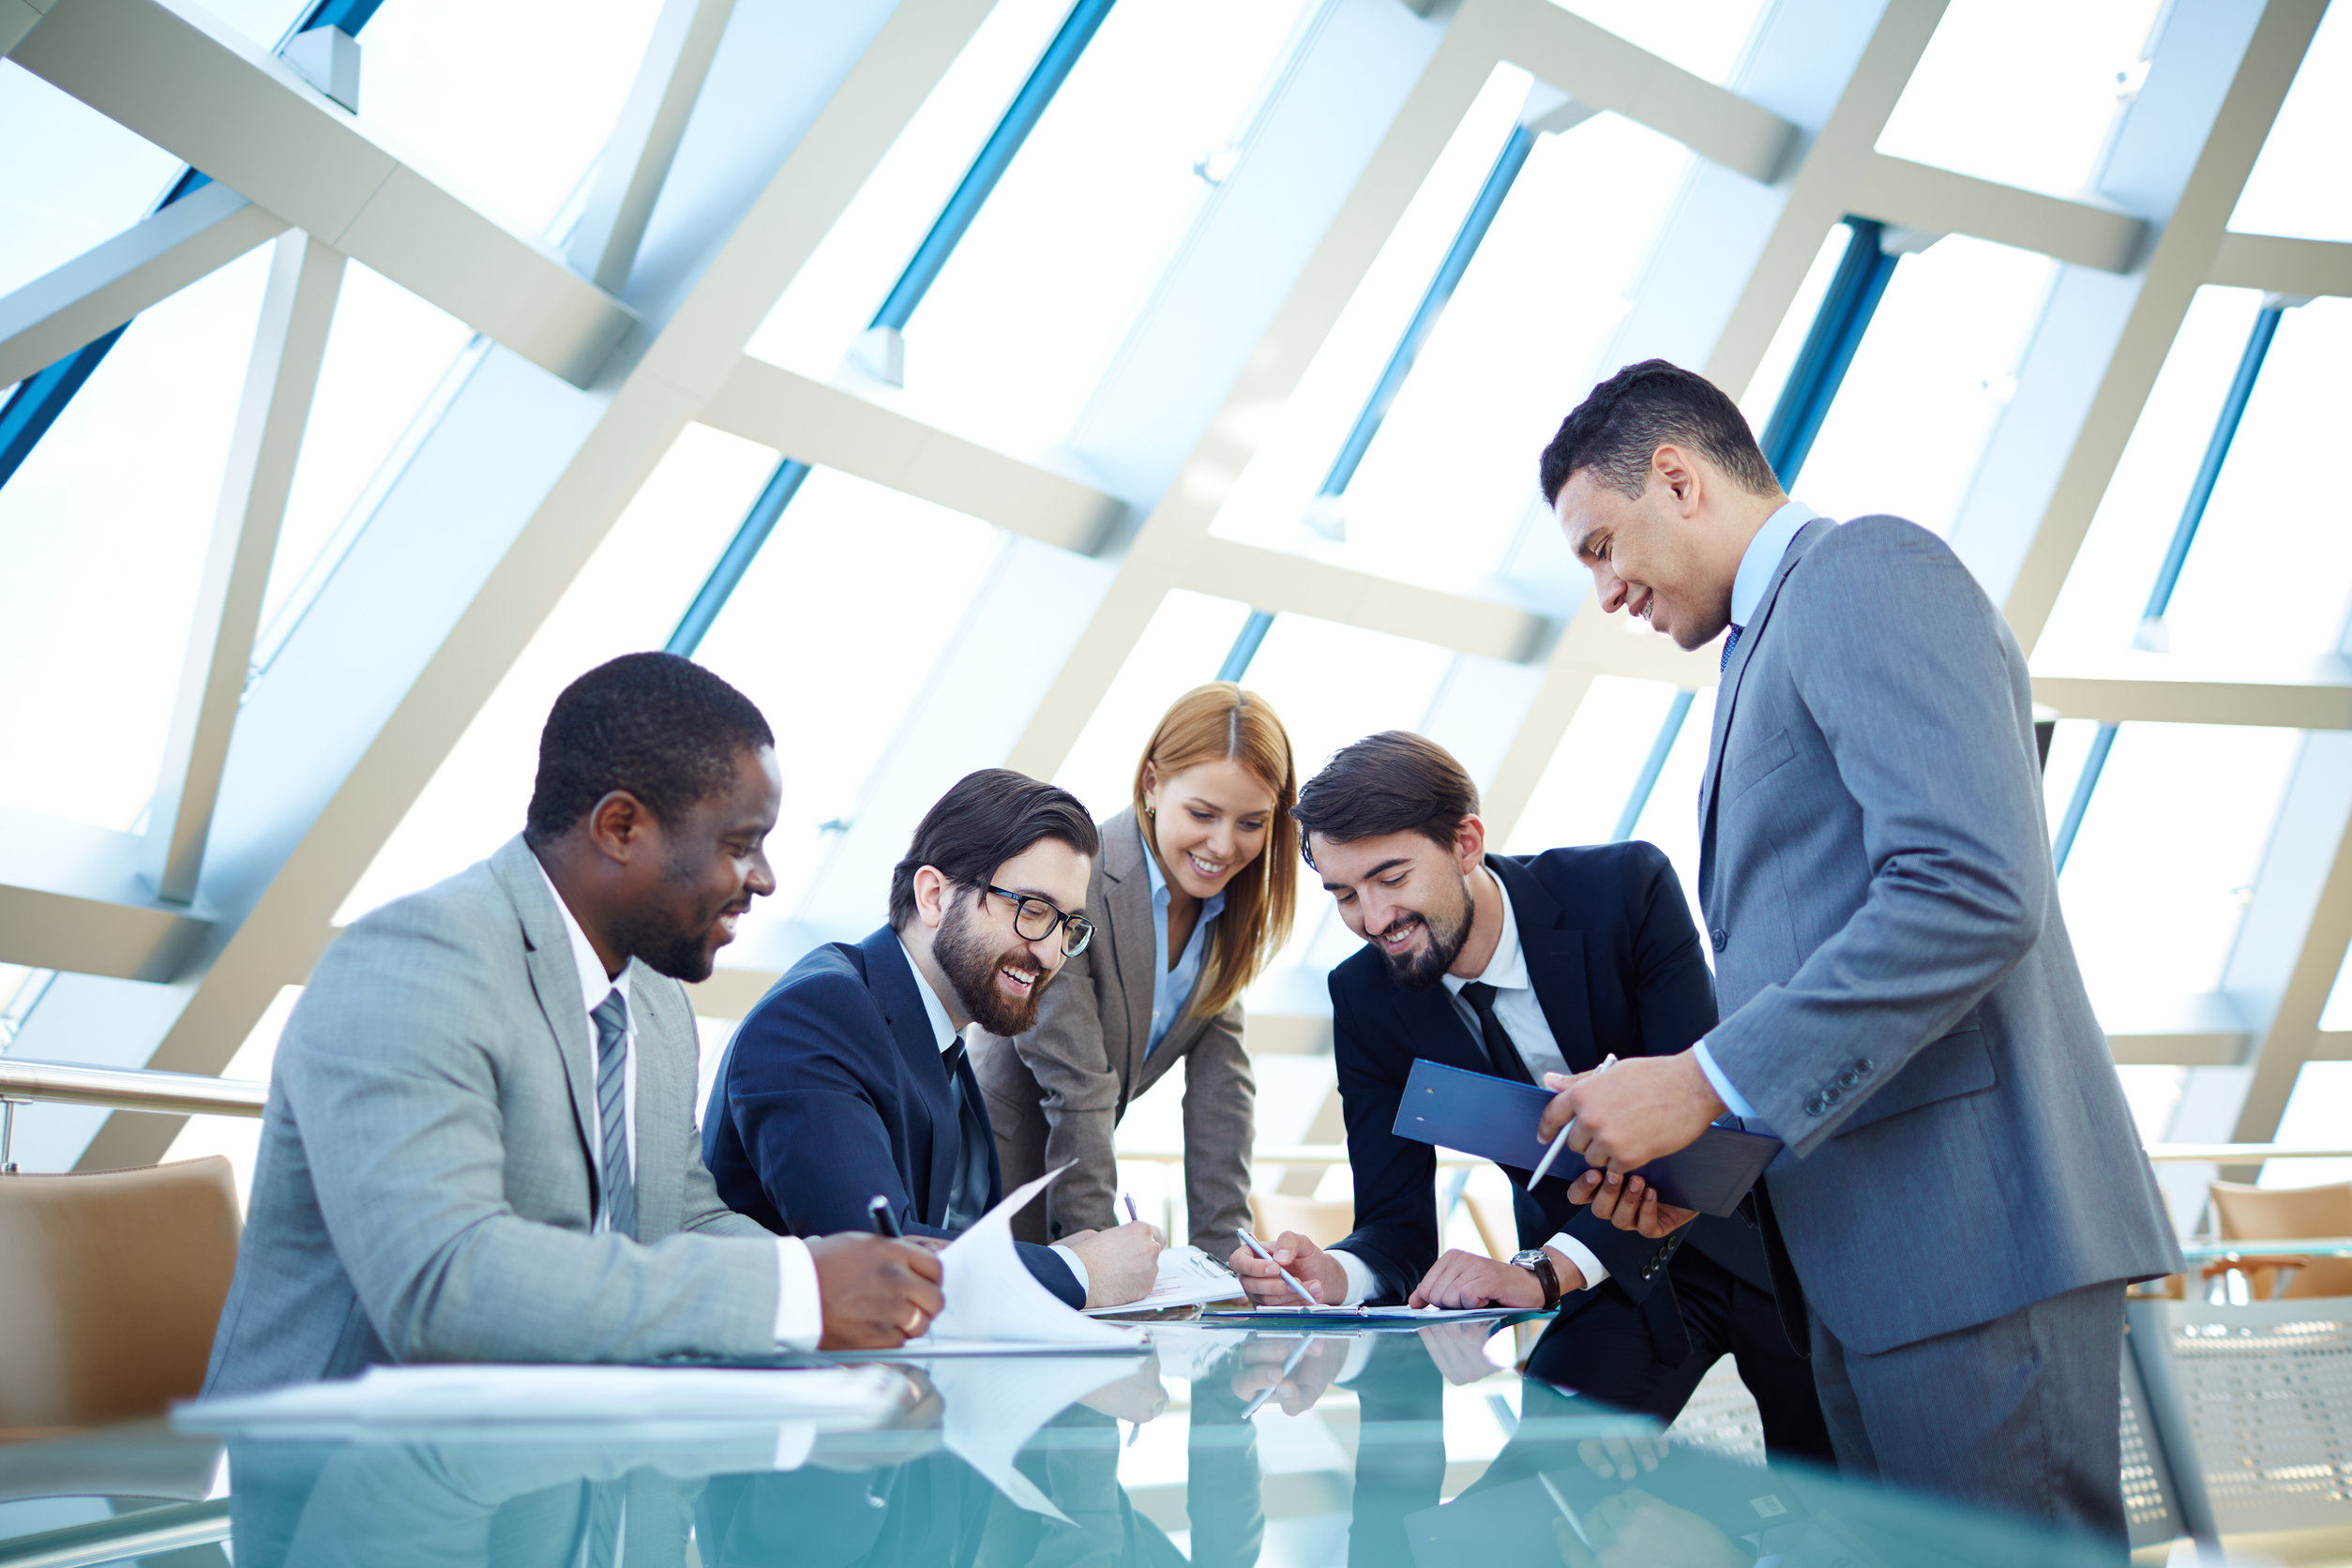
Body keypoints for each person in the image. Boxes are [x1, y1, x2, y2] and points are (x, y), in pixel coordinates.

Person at [1535, 359, 2181, 1536]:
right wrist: (1702, 1159)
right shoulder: (1760, 647)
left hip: (1970, 1246)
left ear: (1675, 478)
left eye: (1599, 547)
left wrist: (1703, 1078)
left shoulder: (1865, 572)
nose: (1605, 590)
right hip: (1865, 1270)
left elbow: (1972, 885)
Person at [204, 654, 942, 1396]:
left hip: (567, 1459)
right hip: (348, 1483)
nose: (764, 879)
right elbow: (443, 1286)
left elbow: (679, 1219)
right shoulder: (416, 964)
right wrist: (796, 1292)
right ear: (620, 827)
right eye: (740, 844)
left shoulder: (652, 998)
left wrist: (850, 1303)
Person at [1227, 731, 1831, 1464]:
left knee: (1837, 1506)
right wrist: (1336, 1274)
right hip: (1608, 1287)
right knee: (1535, 1495)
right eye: (1344, 894)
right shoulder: (1364, 1000)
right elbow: (1395, 1225)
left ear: (1467, 841)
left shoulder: (1624, 893)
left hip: (1756, 1246)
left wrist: (1542, 1270)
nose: (1373, 919)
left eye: (1391, 878)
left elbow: (1701, 1131)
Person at [703, 769, 1163, 1309]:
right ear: (933, 896)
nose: (1049, 953)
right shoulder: (819, 1015)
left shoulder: (934, 1035)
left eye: (1069, 928)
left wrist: (1067, 1260)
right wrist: (1074, 1271)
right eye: (1032, 911)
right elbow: (875, 1255)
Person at [972, 682, 1298, 1256]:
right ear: (1152, 785)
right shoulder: (1081, 878)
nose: (1223, 846)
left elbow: (1222, 1100)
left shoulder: (1226, 913)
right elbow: (1079, 1083)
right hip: (989, 1179)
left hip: (1071, 1167)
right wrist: (1096, 1247)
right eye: (1203, 813)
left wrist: (1226, 1263)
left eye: (1252, 823)